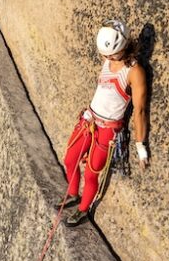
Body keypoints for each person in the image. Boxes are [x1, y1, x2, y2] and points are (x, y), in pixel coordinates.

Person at [62, 18, 149, 227]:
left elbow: (140, 110)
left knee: (92, 173)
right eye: (105, 55)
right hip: (90, 119)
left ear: (125, 47)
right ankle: (73, 194)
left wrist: (141, 147)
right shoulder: (108, 61)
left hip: (108, 131)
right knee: (70, 159)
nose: (107, 58)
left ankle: (83, 210)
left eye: (111, 54)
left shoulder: (134, 72)